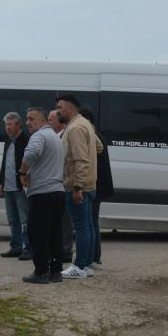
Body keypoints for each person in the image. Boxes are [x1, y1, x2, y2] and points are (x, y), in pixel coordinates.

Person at [56, 94, 101, 279]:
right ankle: (88, 264)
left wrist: (77, 187)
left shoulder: (74, 128)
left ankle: (80, 266)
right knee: (88, 225)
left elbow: (81, 160)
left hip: (78, 186)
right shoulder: (85, 124)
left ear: (71, 108)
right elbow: (99, 147)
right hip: (90, 184)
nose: (58, 111)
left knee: (81, 227)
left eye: (60, 107)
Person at [18, 107, 65, 284]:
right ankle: (56, 271)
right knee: (54, 233)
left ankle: (41, 271)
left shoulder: (39, 136)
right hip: (58, 191)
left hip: (42, 192)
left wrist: (22, 172)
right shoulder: (55, 136)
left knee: (37, 232)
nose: (28, 122)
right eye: (27, 119)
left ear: (43, 120)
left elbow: (31, 153)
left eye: (32, 119)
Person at [80, 106, 114, 270]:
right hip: (98, 184)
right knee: (92, 221)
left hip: (95, 185)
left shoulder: (92, 136)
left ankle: (94, 256)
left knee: (91, 222)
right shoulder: (96, 134)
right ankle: (95, 256)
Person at [0, 111, 30, 259]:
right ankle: (16, 247)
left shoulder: (26, 139)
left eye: (10, 124)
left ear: (18, 124)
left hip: (20, 186)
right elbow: (5, 163)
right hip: (8, 185)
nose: (7, 127)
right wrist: (1, 182)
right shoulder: (8, 140)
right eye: (6, 124)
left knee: (25, 218)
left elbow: (29, 162)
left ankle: (29, 248)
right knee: (12, 219)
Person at [48, 108, 74, 264]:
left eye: (51, 120)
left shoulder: (65, 136)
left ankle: (66, 251)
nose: (48, 122)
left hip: (64, 184)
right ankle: (60, 249)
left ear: (59, 122)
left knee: (65, 220)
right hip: (56, 184)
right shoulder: (55, 136)